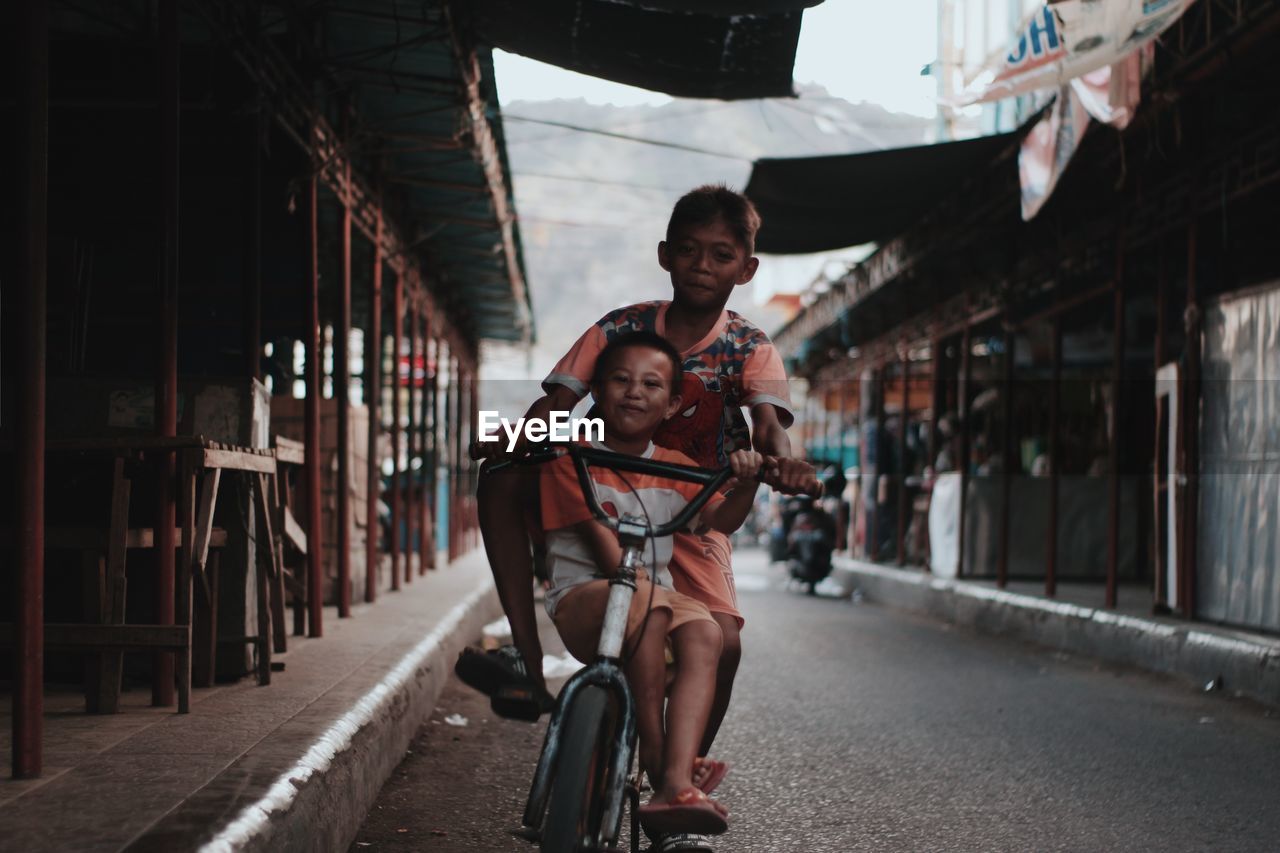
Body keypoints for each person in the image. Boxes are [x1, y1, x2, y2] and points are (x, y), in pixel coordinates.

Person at [460, 185, 818, 744]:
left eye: (721, 255)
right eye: (688, 250)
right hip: (600, 482)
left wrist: (783, 466)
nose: (702, 266)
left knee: (724, 642)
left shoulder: (751, 345)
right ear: (665, 254)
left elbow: (771, 426)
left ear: (745, 270)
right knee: (501, 476)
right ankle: (527, 665)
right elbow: (558, 407)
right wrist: (510, 437)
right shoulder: (619, 328)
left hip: (691, 504)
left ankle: (684, 775)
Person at [540, 331, 764, 836]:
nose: (635, 392)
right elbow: (606, 554)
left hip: (651, 599)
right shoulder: (571, 458)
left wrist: (746, 481)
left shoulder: (679, 467)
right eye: (620, 380)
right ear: (597, 391)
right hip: (585, 600)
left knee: (706, 632)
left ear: (672, 405)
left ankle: (679, 778)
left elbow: (719, 521)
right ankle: (666, 769)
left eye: (651, 384)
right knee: (652, 604)